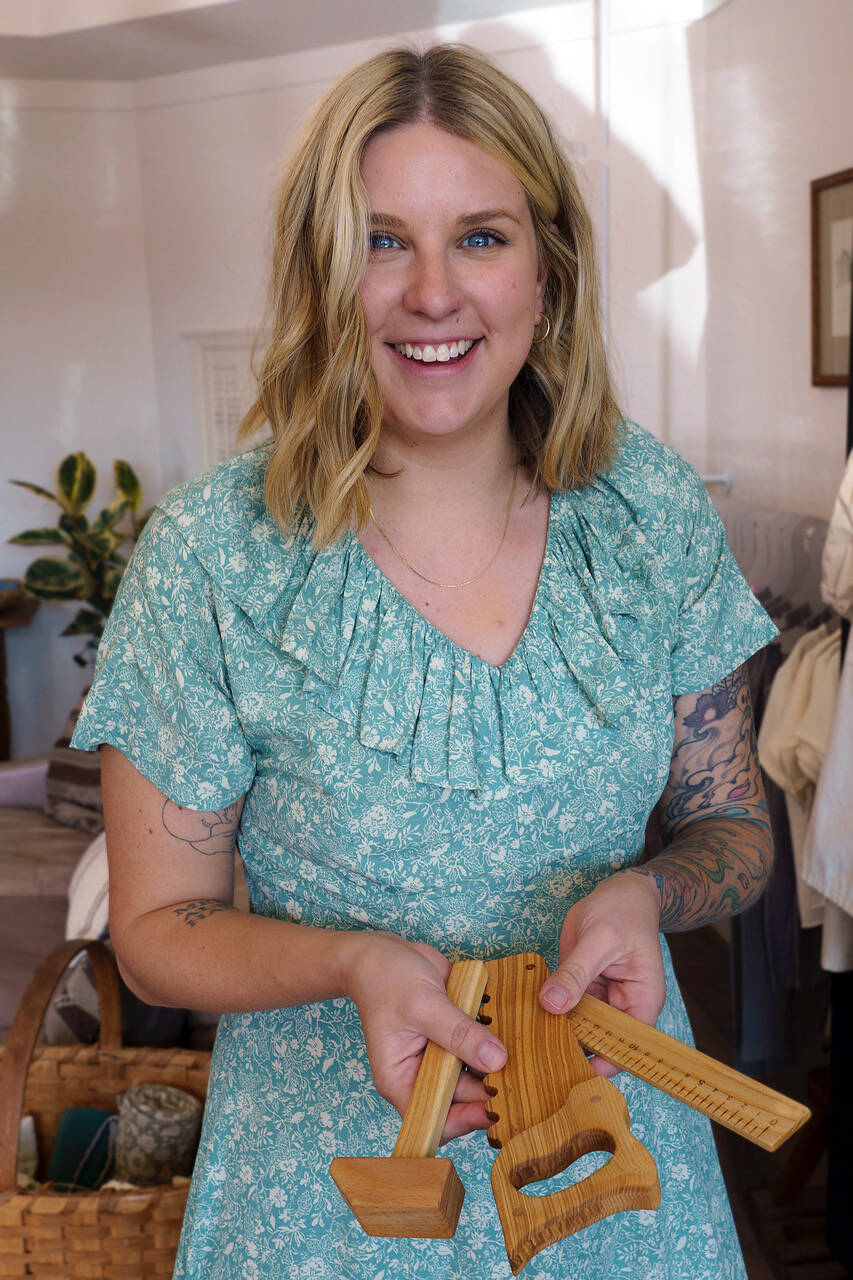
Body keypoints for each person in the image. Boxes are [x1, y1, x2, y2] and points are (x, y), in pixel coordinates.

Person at [72, 43, 777, 1280]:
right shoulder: (211, 556)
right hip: (326, 1197)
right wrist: (350, 961)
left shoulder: (649, 511)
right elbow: (154, 927)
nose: (433, 293)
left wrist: (647, 896)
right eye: (381, 241)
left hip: (612, 1170)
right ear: (320, 274)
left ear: (547, 272)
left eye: (481, 237)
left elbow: (732, 825)